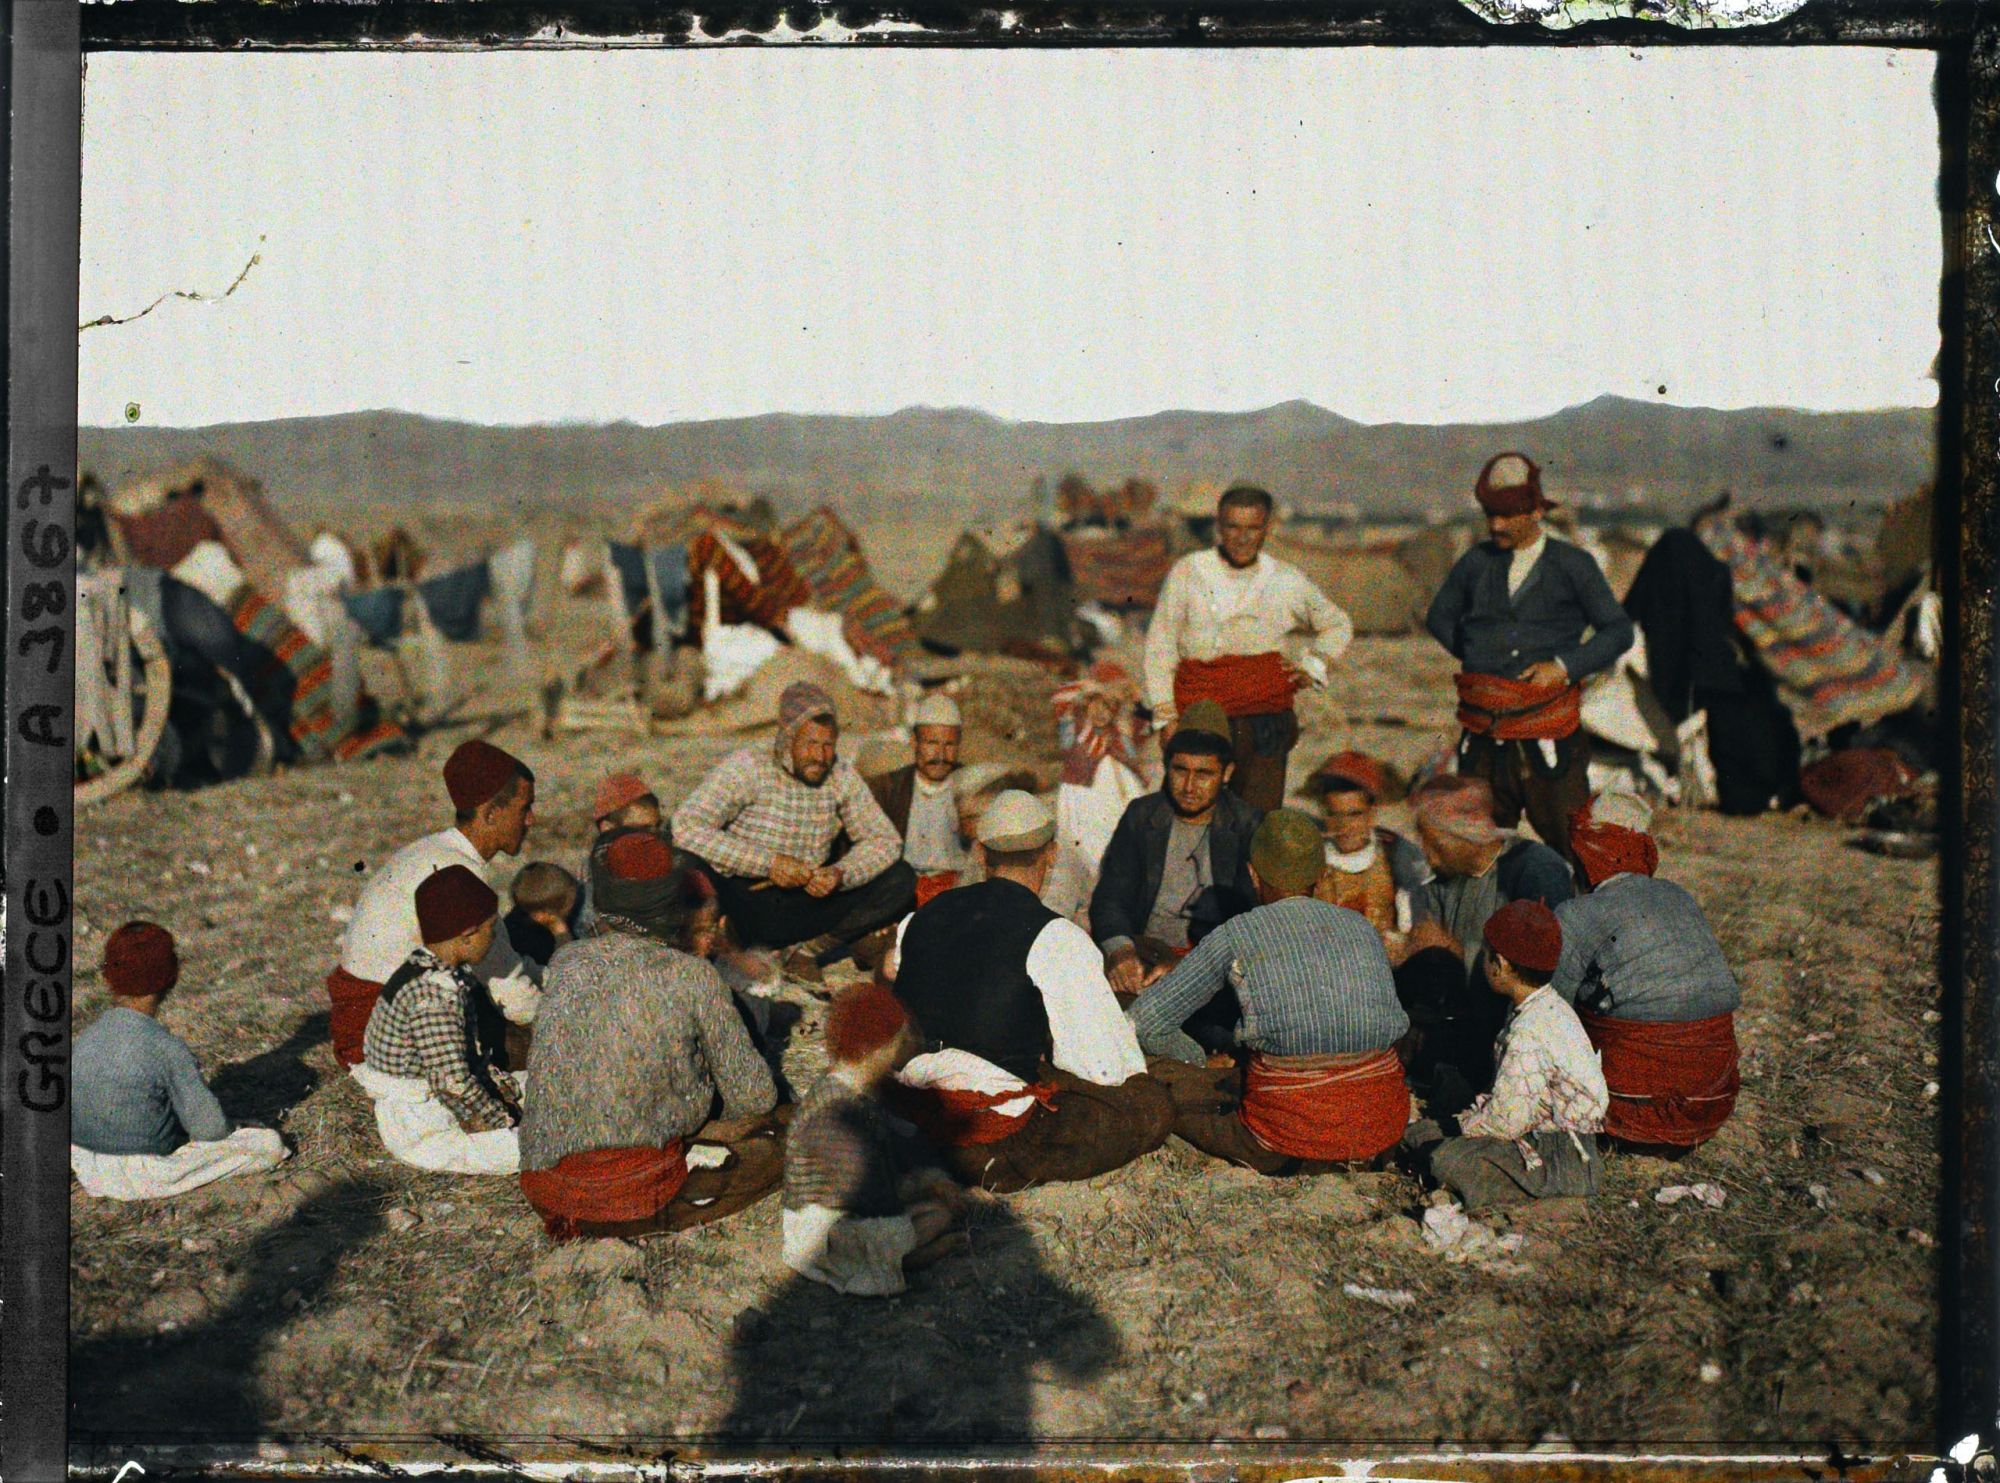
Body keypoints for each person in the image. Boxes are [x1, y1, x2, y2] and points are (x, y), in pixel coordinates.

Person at [888, 791, 1175, 1192]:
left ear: (983, 855)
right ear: (1052, 854)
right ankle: (980, 1164)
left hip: (910, 1099)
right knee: (1150, 1106)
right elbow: (1103, 1069)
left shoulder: (920, 917)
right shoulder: (1056, 936)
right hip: (988, 1122)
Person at [518, 833, 789, 1239]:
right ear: (672, 901)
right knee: (785, 1137)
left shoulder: (567, 960)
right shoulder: (691, 975)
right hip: (629, 1191)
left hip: (544, 1189)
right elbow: (754, 1097)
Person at [1128, 810, 1412, 1174]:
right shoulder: (1362, 928)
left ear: (1253, 874)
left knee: (1153, 1072)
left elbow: (1145, 1022)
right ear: (1321, 875)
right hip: (1382, 1136)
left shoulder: (1238, 933)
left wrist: (1198, 1061)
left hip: (1287, 1143)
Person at [1423, 453, 1635, 856]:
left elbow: (1618, 631)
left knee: (1575, 845)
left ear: (1537, 510)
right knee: (1479, 846)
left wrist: (1564, 667)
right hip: (1483, 735)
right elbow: (1439, 617)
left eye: (1507, 515)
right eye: (1490, 514)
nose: (1495, 525)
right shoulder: (1476, 563)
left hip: (1549, 733)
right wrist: (1478, 658)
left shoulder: (1573, 564)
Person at [672, 680, 917, 983]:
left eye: (828, 745)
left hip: (805, 903)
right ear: (788, 740)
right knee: (682, 864)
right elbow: (685, 826)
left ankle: (806, 951)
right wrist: (768, 864)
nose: (820, 756)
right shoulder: (748, 767)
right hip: (742, 901)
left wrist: (842, 873)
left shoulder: (840, 775)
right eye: (810, 744)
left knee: (900, 879)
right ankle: (723, 947)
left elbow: (884, 840)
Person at [325, 739, 539, 1067]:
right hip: (383, 1038)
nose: (531, 821)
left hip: (375, 1017)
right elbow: (513, 996)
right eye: (524, 809)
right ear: (492, 813)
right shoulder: (457, 875)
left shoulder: (432, 851)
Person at [1143, 485, 1354, 812]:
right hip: (1201, 718)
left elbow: (1338, 623)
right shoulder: (1189, 572)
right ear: (1219, 526)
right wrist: (1166, 716)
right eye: (1233, 527)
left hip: (1265, 721)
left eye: (1253, 528)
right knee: (1190, 816)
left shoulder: (1285, 579)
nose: (1243, 538)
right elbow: (1160, 644)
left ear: (1267, 528)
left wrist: (1313, 664)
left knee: (1255, 821)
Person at [1555, 794, 1743, 1156]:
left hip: (1635, 1106)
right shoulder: (1678, 895)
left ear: (1585, 855)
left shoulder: (1578, 913)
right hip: (1712, 1100)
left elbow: (1545, 1009)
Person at [1403, 899, 1609, 1210]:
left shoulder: (1529, 1031)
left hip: (1562, 1154)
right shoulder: (1543, 1005)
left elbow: (1505, 1124)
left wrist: (1458, 1127)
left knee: (1440, 1156)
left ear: (1499, 965)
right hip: (1543, 1131)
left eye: (1486, 955)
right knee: (1434, 1115)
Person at [70, 923, 291, 1200]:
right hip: (139, 1174)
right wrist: (235, 1127)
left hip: (84, 1162)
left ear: (109, 975)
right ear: (169, 978)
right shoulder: (166, 1047)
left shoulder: (89, 1035)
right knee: (268, 1144)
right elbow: (211, 1130)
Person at [1399, 774, 1575, 1112]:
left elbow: (1552, 967)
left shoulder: (1533, 869)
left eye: (1431, 840)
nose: (1425, 853)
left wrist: (1455, 952)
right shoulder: (1443, 878)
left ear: (1461, 836)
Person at [782, 983, 970, 1296]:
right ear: (879, 1047)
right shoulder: (835, 1113)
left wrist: (933, 1177)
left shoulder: (846, 1087)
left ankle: (903, 1254)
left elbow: (901, 1135)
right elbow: (866, 1192)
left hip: (834, 1217)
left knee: (934, 1207)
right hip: (826, 1233)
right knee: (937, 1215)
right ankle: (910, 1260)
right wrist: (921, 1186)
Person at [1089, 699, 1260, 1007]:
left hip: (1214, 966)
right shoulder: (1143, 816)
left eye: (1204, 774)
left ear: (1227, 773)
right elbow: (1111, 895)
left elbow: (1251, 918)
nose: (1189, 786)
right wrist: (1120, 950)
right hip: (1146, 956)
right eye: (1180, 771)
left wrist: (1195, 970)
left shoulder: (1246, 824)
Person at [355, 866, 524, 1175]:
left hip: (433, 1099)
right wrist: (502, 1118)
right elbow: (452, 1084)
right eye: (491, 928)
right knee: (526, 1150)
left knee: (530, 1085)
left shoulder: (428, 968)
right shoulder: (433, 998)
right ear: (468, 936)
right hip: (421, 1123)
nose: (495, 935)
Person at [1308, 751, 1434, 957]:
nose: (1344, 827)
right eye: (1334, 815)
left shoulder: (1397, 854)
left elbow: (1416, 927)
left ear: (1371, 812)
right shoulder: (1311, 854)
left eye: (1354, 815)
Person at [866, 691, 979, 907]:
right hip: (902, 892)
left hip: (957, 892)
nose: (940, 754)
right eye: (931, 743)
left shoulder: (971, 785)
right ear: (914, 742)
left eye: (949, 745)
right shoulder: (888, 788)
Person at [573, 771, 665, 936]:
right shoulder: (596, 872)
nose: (653, 838)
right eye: (641, 829)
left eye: (656, 827)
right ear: (608, 829)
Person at [504, 861, 579, 972]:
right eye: (572, 900)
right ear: (543, 915)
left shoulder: (514, 920)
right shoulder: (532, 944)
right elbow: (569, 973)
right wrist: (561, 933)